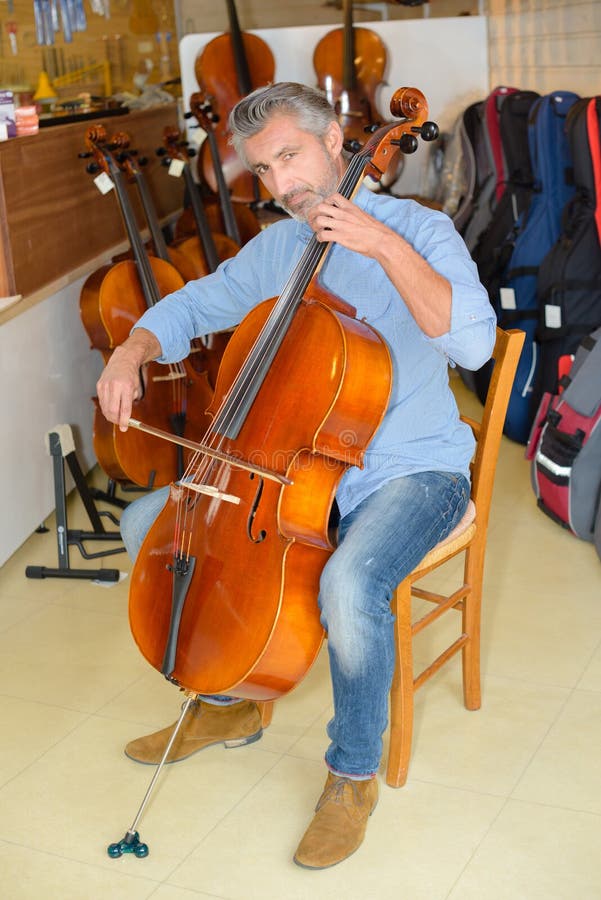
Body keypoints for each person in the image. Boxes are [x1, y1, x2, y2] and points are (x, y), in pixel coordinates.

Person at [97, 81, 496, 870]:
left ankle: (351, 773)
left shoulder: (420, 228)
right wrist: (132, 349)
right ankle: (227, 704)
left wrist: (380, 244)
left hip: (409, 472)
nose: (281, 185)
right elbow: (199, 302)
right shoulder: (278, 249)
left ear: (337, 139)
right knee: (147, 525)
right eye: (263, 171)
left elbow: (476, 345)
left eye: (290, 156)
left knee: (350, 585)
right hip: (296, 473)